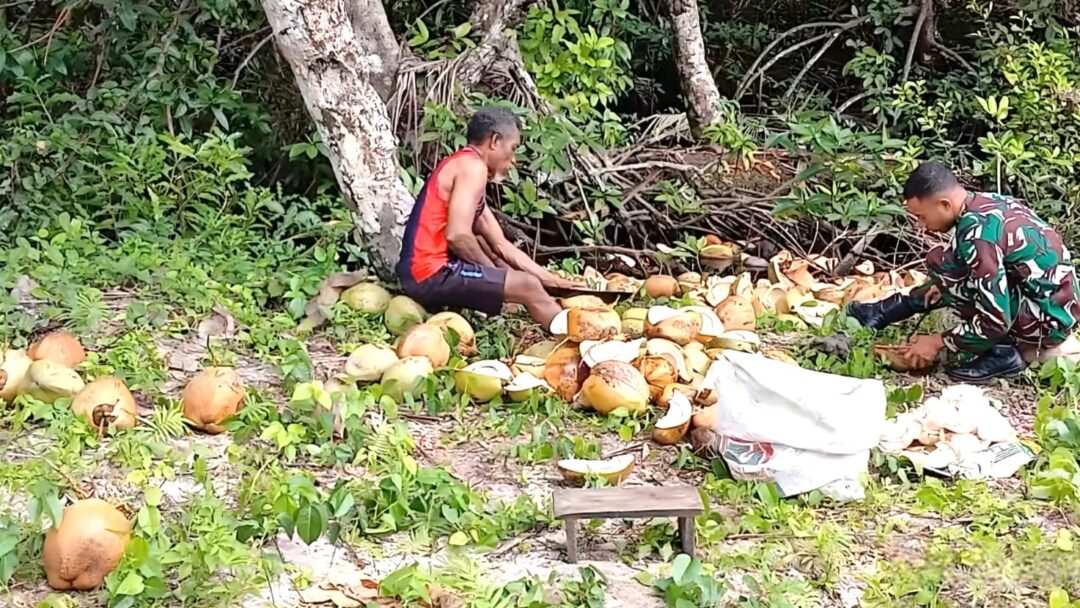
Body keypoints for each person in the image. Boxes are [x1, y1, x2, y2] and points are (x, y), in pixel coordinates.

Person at [848, 161, 1080, 382]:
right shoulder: (987, 203)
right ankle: (882, 311)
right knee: (949, 268)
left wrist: (937, 341)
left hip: (1048, 322)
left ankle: (1003, 353)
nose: (920, 225)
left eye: (921, 217)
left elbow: (996, 320)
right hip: (1054, 305)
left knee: (945, 268)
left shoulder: (977, 234)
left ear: (944, 204)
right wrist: (943, 286)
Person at [396, 106, 576, 329]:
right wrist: (495, 277)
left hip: (426, 272)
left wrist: (552, 280)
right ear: (495, 141)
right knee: (527, 285)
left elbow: (501, 245)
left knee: (507, 266)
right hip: (427, 273)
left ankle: (567, 322)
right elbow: (457, 236)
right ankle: (577, 335)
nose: (514, 160)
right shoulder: (473, 167)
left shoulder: (465, 166)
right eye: (513, 148)